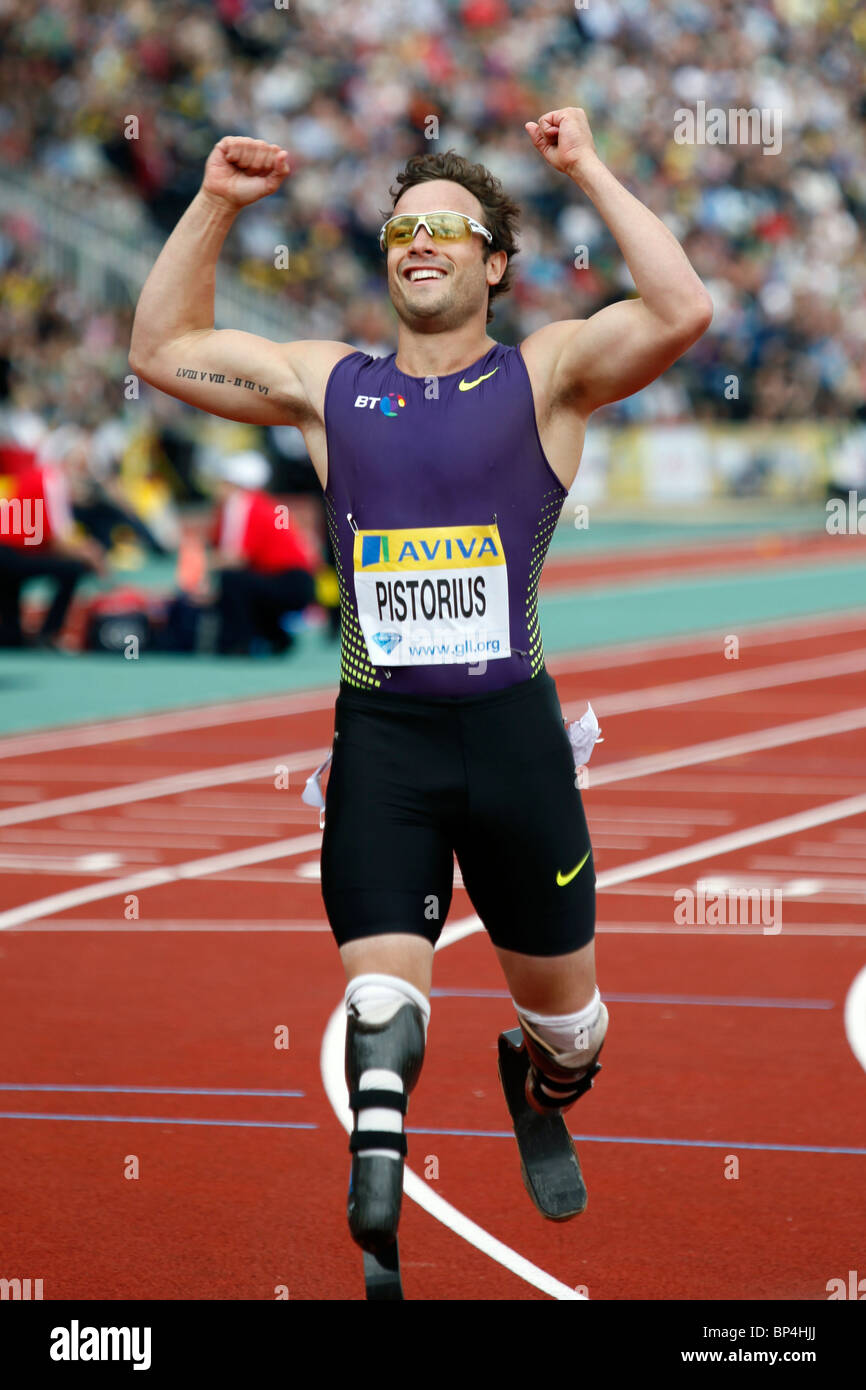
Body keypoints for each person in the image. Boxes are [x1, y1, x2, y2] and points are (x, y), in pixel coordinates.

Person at [129, 111, 712, 1297]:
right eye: (401, 230)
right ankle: (379, 1190)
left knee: (572, 1032)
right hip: (382, 741)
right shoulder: (326, 387)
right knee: (382, 1001)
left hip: (514, 746)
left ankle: (537, 1079)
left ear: (494, 260)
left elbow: (681, 311)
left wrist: (583, 167)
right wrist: (215, 202)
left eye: (447, 228)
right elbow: (162, 349)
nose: (419, 243)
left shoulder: (547, 373)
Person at [202, 449, 317, 654]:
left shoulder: (241, 503)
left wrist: (201, 568)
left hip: (289, 580)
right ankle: (276, 637)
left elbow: (236, 558)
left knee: (232, 581)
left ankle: (238, 644)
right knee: (245, 582)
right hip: (299, 581)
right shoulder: (262, 503)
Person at [0, 430, 104, 649]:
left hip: (12, 552)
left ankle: (14, 634)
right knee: (74, 569)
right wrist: (92, 555)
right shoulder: (53, 479)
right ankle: (48, 633)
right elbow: (60, 538)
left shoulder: (36, 474)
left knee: (11, 635)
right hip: (11, 553)